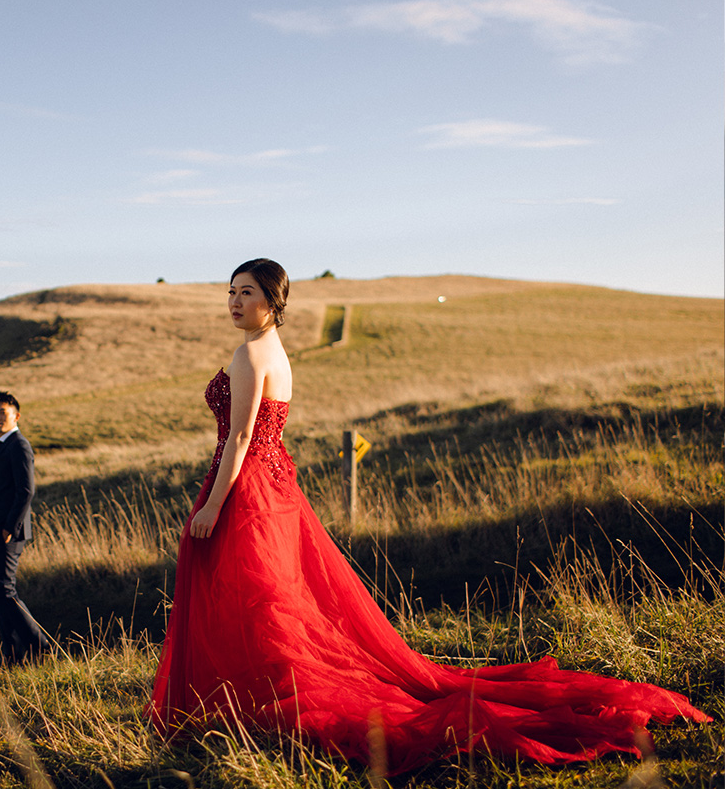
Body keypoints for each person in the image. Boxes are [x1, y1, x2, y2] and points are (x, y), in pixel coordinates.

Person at [148, 259, 709, 774]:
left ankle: (251, 701)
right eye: (230, 292)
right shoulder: (271, 351)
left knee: (259, 597)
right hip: (272, 485)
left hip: (247, 490)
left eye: (246, 292)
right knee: (274, 598)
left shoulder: (251, 354)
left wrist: (215, 503)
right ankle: (246, 696)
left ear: (274, 301)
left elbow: (243, 435)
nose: (234, 301)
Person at [0, 391, 48, 665]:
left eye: (3, 412)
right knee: (0, 593)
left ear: (16, 416)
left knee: (6, 590)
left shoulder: (19, 445)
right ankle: (11, 654)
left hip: (10, 531)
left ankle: (40, 647)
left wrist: (9, 526)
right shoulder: (3, 443)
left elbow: (26, 491)